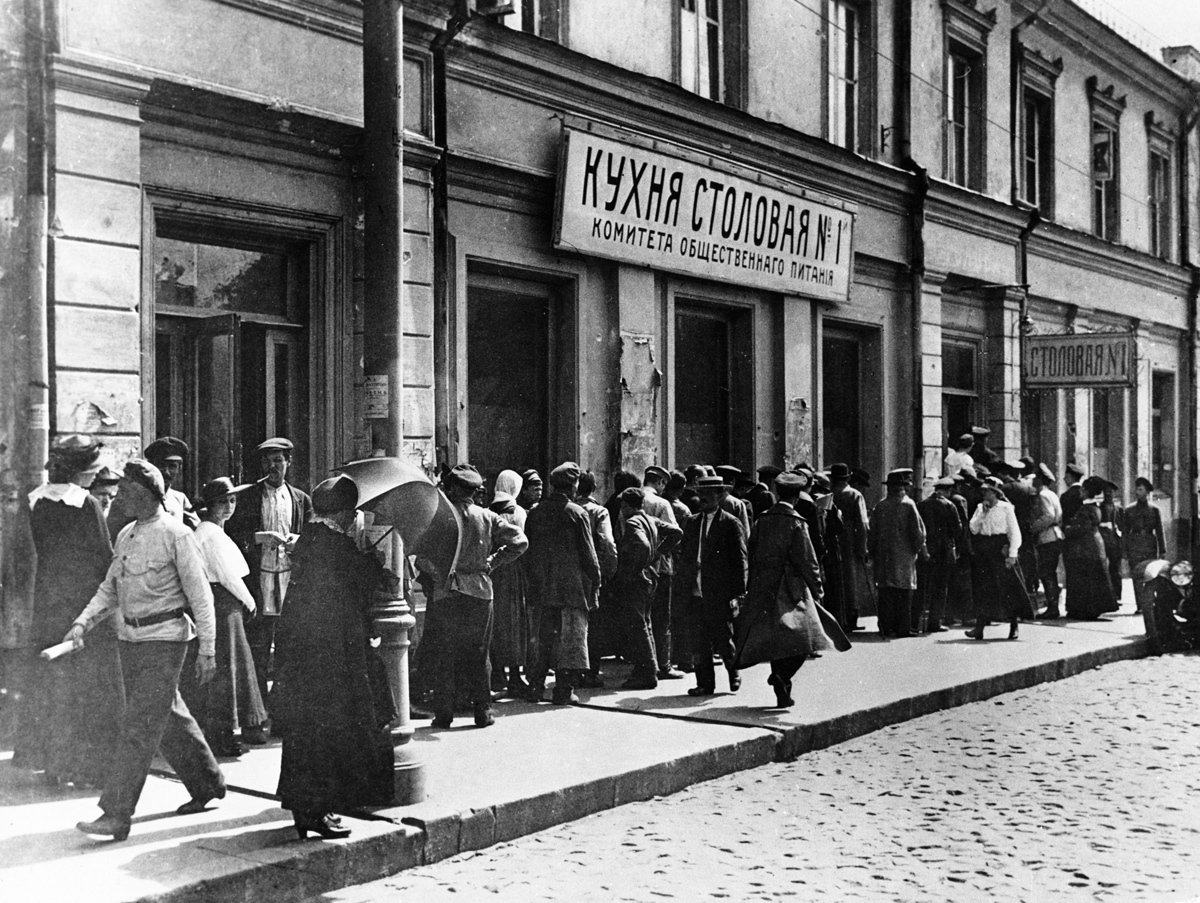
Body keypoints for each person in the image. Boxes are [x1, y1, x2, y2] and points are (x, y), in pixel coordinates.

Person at [68, 460, 224, 842]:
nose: (118, 497)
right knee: (167, 713)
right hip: (131, 640)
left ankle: (116, 814)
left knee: (138, 725)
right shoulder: (125, 536)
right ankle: (208, 782)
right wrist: (82, 621)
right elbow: (110, 588)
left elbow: (201, 597)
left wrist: (208, 649)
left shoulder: (177, 535)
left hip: (166, 641)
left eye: (124, 491)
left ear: (143, 494)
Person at [272, 474, 396, 840]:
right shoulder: (336, 546)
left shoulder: (310, 540)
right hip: (333, 656)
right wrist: (375, 560)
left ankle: (304, 808)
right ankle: (318, 809)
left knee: (304, 732)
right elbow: (362, 581)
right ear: (342, 514)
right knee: (329, 730)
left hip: (304, 655)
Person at [13, 435, 122, 788]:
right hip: (82, 607)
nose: (94, 476)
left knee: (52, 685)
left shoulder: (34, 502)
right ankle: (87, 768)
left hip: (47, 604)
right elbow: (104, 559)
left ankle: (52, 765)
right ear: (80, 472)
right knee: (89, 688)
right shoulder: (85, 504)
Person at [422, 464, 527, 728]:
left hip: (447, 591)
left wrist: (437, 571)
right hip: (479, 592)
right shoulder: (487, 516)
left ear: (455, 488)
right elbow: (519, 542)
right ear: (473, 490)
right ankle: (483, 712)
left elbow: (422, 558)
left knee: (445, 653)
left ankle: (444, 713)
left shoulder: (439, 517)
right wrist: (492, 562)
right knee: (479, 654)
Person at [226, 437, 313, 740]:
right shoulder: (248, 498)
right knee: (259, 651)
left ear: (288, 463)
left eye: (278, 460)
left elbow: (311, 539)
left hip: (289, 582)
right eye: (267, 461)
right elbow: (233, 538)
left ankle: (284, 718)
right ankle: (256, 718)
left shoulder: (300, 499)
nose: (272, 467)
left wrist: (297, 543)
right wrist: (258, 538)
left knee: (289, 651)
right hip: (259, 582)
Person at [737, 472, 849, 707]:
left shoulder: (763, 519)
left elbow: (751, 551)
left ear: (777, 493)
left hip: (763, 586)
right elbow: (807, 559)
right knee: (805, 639)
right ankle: (783, 678)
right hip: (792, 587)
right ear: (798, 496)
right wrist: (818, 588)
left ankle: (782, 689)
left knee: (778, 640)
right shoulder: (796, 522)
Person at [180, 478, 268, 758]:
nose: (228, 507)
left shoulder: (213, 531)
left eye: (232, 501)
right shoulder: (209, 534)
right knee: (227, 668)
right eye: (222, 502)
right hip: (223, 603)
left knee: (228, 667)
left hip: (222, 603)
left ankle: (221, 731)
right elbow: (227, 575)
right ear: (209, 506)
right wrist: (250, 600)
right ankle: (222, 733)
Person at [524, 463, 602, 704]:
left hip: (543, 588)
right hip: (571, 589)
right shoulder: (578, 513)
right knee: (569, 641)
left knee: (545, 639)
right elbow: (589, 554)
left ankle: (535, 688)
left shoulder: (535, 513)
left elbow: (528, 552)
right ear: (573, 486)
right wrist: (597, 579)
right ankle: (563, 691)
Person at [675, 475, 747, 697]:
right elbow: (684, 553)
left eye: (710, 493)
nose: (704, 497)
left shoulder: (730, 523)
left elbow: (740, 560)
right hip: (694, 589)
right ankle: (705, 684)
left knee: (723, 637)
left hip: (718, 591)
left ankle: (733, 670)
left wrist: (739, 593)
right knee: (699, 640)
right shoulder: (691, 522)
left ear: (720, 495)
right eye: (701, 492)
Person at [611, 487, 682, 690]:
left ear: (627, 505)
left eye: (623, 505)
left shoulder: (632, 521)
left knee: (638, 625)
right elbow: (676, 532)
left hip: (637, 580)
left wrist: (638, 567)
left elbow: (641, 545)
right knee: (646, 623)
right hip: (652, 577)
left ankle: (648, 673)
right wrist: (659, 554)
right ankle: (647, 669)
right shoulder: (651, 519)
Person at [966, 476, 1031, 640]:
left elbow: (1014, 532)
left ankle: (1013, 625)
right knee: (983, 588)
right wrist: (982, 514)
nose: (983, 494)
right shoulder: (981, 508)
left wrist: (1012, 554)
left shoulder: (1006, 508)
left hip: (1000, 548)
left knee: (1008, 588)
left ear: (995, 493)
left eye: (986, 491)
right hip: (984, 549)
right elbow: (973, 528)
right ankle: (979, 627)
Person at [868, 469, 927, 638]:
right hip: (904, 555)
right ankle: (903, 627)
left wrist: (872, 552)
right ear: (903, 488)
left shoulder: (881, 505)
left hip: (884, 555)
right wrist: (917, 549)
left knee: (886, 592)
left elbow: (872, 532)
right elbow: (918, 532)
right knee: (904, 592)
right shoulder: (908, 505)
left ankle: (886, 626)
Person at [487, 469, 530, 698]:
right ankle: (515, 675)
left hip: (492, 573)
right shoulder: (518, 512)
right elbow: (521, 542)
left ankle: (497, 674)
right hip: (513, 571)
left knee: (494, 623)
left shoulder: (487, 511)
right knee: (514, 623)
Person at [578, 470, 619, 688]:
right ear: (594, 488)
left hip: (571, 576)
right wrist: (607, 573)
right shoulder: (599, 512)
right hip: (592, 576)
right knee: (593, 626)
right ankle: (590, 672)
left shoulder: (570, 509)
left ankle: (572, 671)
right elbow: (608, 545)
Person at [643, 465, 682, 680]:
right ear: (660, 483)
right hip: (661, 567)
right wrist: (658, 553)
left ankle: (646, 662)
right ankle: (664, 665)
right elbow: (675, 533)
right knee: (662, 618)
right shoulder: (661, 503)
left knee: (643, 617)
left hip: (638, 567)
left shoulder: (629, 499)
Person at [1063, 476, 1119, 620]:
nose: (1080, 492)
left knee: (1087, 579)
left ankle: (1087, 610)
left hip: (1086, 547)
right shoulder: (1093, 507)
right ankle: (1085, 609)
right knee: (1092, 578)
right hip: (1093, 545)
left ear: (1087, 491)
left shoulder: (1086, 508)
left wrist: (1067, 529)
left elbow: (1082, 528)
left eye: (1082, 490)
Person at [915, 476, 962, 634]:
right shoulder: (949, 506)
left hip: (926, 551)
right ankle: (934, 622)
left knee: (922, 587)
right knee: (940, 588)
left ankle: (916, 622)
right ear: (947, 491)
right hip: (944, 552)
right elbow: (957, 529)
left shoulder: (921, 505)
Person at [830, 463, 870, 632]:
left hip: (833, 539)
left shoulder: (829, 494)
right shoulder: (855, 495)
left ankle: (838, 617)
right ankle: (851, 617)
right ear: (848, 478)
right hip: (850, 540)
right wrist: (863, 547)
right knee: (851, 579)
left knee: (837, 579)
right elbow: (862, 523)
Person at [1122, 476, 1166, 613]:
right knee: (1137, 576)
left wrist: (1163, 550)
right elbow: (1124, 532)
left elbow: (1159, 530)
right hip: (1134, 545)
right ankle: (1140, 605)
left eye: (1140, 489)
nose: (1137, 492)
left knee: (1150, 575)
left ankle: (1149, 603)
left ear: (1147, 492)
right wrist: (1124, 551)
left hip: (1149, 545)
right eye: (1137, 489)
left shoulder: (1154, 510)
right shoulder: (1129, 510)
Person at [1029, 463, 1065, 619]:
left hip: (1047, 536)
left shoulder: (1043, 495)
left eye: (1036, 478)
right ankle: (1053, 605)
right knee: (1050, 571)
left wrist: (1033, 527)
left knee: (1046, 572)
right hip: (1056, 535)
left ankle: (1052, 607)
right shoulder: (1052, 494)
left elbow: (1049, 516)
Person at [1098, 480, 1124, 603]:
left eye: (1111, 492)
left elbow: (1123, 527)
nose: (1108, 494)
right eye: (1106, 492)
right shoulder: (1099, 509)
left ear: (1114, 494)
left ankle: (1117, 595)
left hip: (1115, 543)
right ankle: (1104, 596)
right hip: (1102, 542)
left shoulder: (1119, 510)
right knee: (1102, 570)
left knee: (1116, 571)